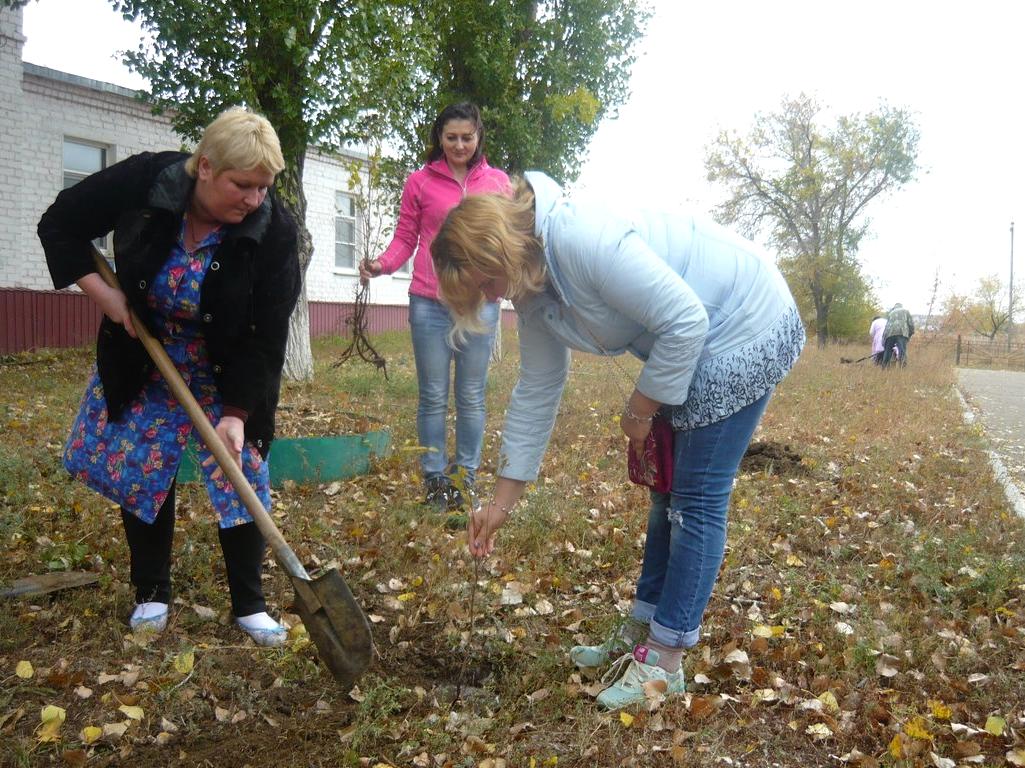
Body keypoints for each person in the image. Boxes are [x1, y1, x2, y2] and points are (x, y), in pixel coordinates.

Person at [431, 173, 805, 710]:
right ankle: (644, 629)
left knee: (695, 497)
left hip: (742, 322)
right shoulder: (533, 289)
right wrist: (501, 503)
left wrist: (640, 409)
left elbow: (685, 320)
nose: (489, 299)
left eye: (484, 284)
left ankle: (666, 662)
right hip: (691, 340)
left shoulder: (581, 239)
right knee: (665, 496)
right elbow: (537, 388)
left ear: (499, 250)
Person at [38, 107, 300, 646]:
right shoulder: (146, 181)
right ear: (204, 167)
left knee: (241, 471)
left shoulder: (273, 230)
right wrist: (108, 297)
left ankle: (250, 605)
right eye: (243, 185)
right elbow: (60, 223)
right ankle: (151, 593)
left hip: (226, 369)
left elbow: (267, 335)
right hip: (148, 353)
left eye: (264, 187)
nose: (255, 199)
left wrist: (235, 414)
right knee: (143, 464)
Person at [359, 102, 509, 512]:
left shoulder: (498, 183)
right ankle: (435, 481)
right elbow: (406, 238)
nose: (459, 145)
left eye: (467, 137)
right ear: (439, 137)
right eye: (451, 137)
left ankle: (465, 478)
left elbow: (509, 237)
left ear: (479, 136)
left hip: (479, 303)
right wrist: (382, 265)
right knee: (433, 395)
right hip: (428, 300)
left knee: (472, 395)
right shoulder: (419, 182)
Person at [882, 302, 914, 367]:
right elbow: (911, 324)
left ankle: (884, 367)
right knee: (902, 351)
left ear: (895, 307)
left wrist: (884, 338)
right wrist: (910, 334)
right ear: (901, 306)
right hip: (902, 332)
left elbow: (886, 326)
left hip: (889, 333)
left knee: (887, 351)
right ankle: (903, 368)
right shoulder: (906, 311)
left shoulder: (890, 313)